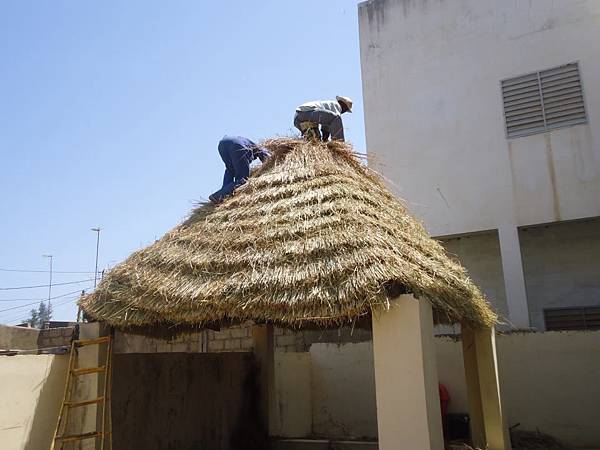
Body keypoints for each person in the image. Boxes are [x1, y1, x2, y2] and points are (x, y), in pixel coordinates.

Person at [209, 136, 269, 204]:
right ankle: (218, 195)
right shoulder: (260, 148)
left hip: (223, 144)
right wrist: (269, 168)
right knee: (243, 179)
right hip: (238, 146)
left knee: (230, 169)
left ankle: (223, 193)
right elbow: (268, 160)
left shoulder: (249, 143)